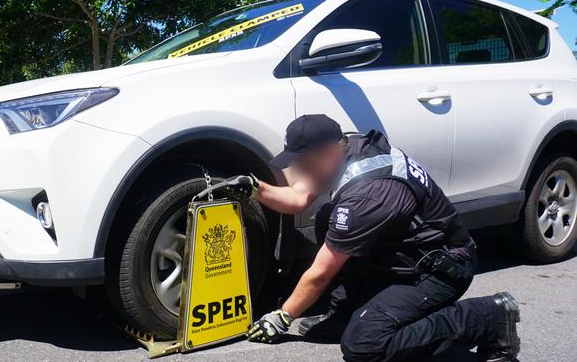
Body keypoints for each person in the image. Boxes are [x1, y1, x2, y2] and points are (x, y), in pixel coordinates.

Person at [223, 114, 520, 362]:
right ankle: (345, 314)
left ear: (328, 152)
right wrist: (255, 188)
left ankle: (489, 316)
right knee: (330, 217)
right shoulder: (347, 148)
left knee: (365, 345)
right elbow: (299, 197)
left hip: (441, 270)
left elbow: (320, 273)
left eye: (302, 163)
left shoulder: (367, 196)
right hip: (406, 254)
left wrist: (282, 316)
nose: (298, 171)